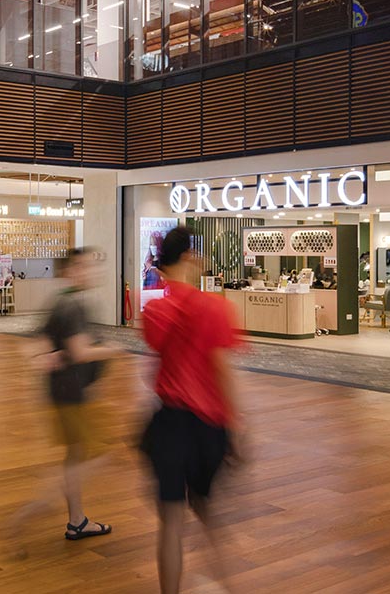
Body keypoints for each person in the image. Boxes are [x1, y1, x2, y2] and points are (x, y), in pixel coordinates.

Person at [140, 226, 243, 594]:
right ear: (188, 257)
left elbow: (158, 349)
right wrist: (239, 426)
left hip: (168, 423)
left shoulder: (154, 311)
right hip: (206, 425)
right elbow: (222, 370)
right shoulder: (213, 307)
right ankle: (226, 582)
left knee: (170, 520)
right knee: (205, 510)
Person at [38, 247, 116, 541]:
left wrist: (48, 356)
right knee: (98, 454)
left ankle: (77, 520)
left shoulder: (63, 303)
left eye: (90, 266)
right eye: (82, 266)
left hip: (66, 391)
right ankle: (45, 499)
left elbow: (39, 344)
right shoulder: (72, 306)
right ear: (68, 271)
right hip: (72, 394)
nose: (90, 271)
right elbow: (81, 352)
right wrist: (113, 349)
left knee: (78, 453)